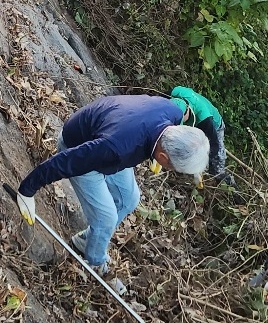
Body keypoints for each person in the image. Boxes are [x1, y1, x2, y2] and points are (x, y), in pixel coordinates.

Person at [14, 94, 210, 291]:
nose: (170, 170)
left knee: (130, 199)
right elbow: (69, 160)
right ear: (163, 156)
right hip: (79, 144)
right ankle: (95, 262)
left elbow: (182, 108)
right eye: (172, 167)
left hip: (113, 135)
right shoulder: (116, 148)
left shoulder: (173, 113)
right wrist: (27, 190)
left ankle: (85, 241)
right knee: (106, 218)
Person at [170, 86, 233, 185]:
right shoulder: (176, 93)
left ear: (187, 111)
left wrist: (201, 165)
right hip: (195, 123)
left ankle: (229, 187)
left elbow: (214, 143)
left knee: (216, 163)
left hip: (215, 126)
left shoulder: (204, 118)